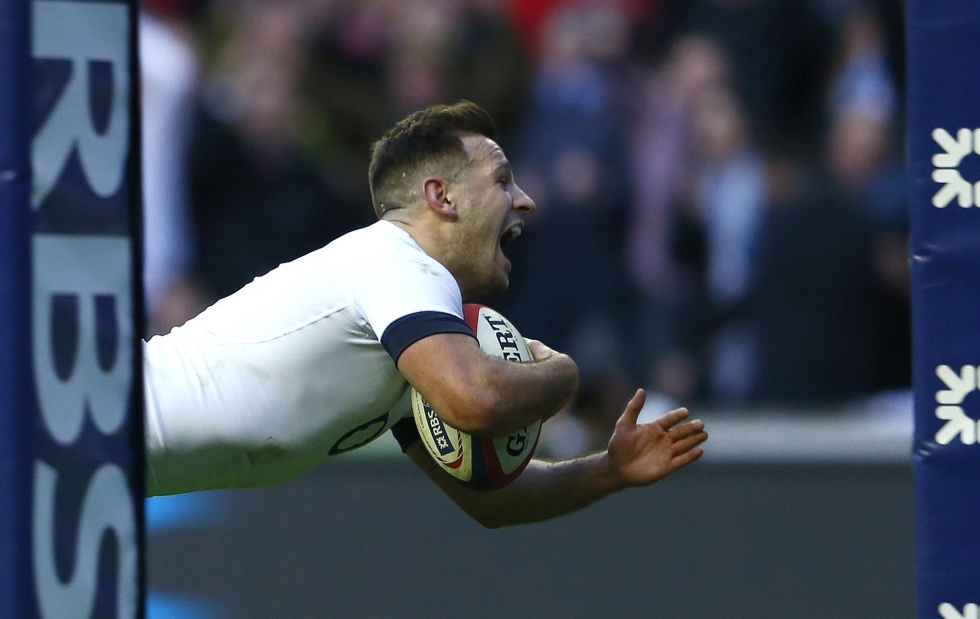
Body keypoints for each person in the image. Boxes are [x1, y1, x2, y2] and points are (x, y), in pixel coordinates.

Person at [144, 100, 707, 527]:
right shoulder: (399, 260)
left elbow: (493, 501)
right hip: (106, 415)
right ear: (441, 197)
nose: (525, 199)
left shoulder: (408, 335)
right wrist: (563, 375)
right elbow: (477, 401)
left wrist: (608, 471)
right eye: (502, 179)